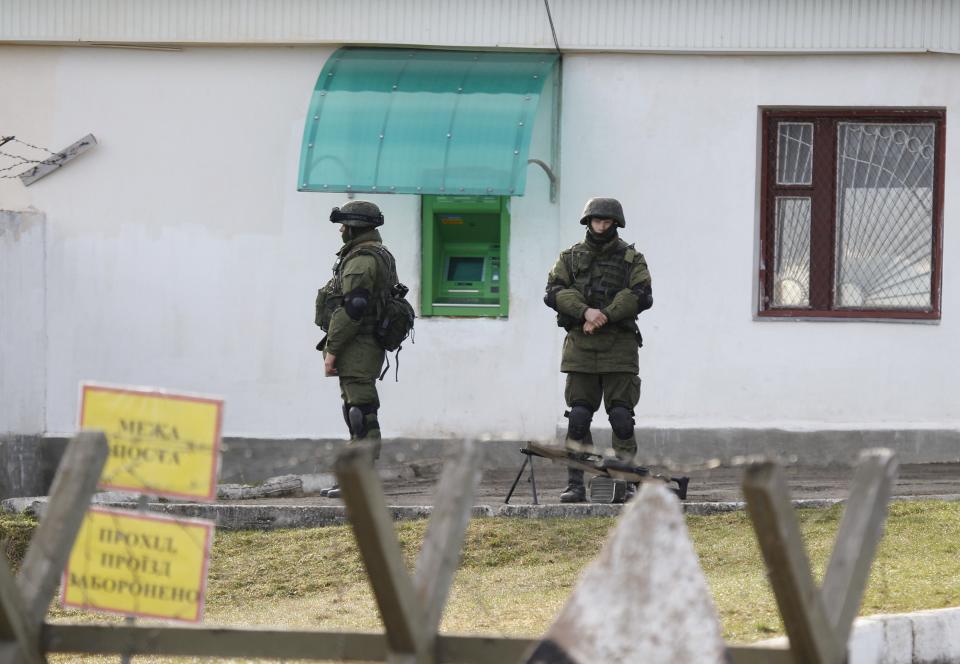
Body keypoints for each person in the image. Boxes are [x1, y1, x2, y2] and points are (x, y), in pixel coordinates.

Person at [543, 197, 653, 503]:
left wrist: (605, 315)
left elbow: (643, 295)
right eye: (596, 221)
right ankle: (576, 482)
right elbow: (552, 292)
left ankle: (626, 480)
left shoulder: (633, 258)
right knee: (578, 417)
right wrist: (585, 313)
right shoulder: (569, 257)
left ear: (615, 224)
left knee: (621, 417)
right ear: (588, 223)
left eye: (606, 222)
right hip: (581, 347)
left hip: (619, 346)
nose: (600, 227)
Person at [315, 200, 397, 498]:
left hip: (358, 344)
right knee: (356, 410)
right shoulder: (374, 253)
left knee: (361, 412)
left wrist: (332, 351)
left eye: (343, 225)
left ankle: (362, 479)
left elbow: (354, 308)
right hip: (362, 344)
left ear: (354, 228)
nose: (340, 230)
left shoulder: (362, 259)